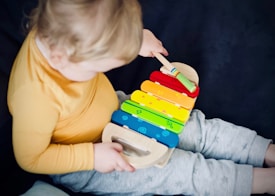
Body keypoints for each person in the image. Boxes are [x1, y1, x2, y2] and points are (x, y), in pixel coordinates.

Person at [7, 0, 275, 195]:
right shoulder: (35, 98)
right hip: (88, 157)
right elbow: (30, 158)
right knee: (180, 172)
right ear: (60, 57)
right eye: (99, 68)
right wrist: (91, 156)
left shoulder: (65, 26)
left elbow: (102, 18)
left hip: (118, 111)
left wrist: (133, 39)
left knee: (195, 128)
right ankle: (264, 182)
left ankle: (265, 151)